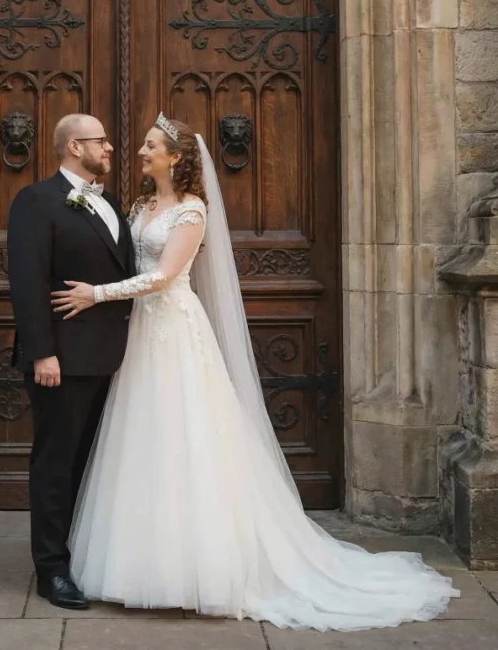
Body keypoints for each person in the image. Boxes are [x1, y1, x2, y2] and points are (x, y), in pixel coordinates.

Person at [50, 114, 459, 631]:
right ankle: (140, 561)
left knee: (187, 437)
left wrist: (97, 294)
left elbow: (164, 276)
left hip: (174, 330)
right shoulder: (138, 205)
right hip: (138, 335)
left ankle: (202, 568)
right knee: (142, 437)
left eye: (151, 145)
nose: (140, 152)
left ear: (175, 157)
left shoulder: (192, 210)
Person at [8, 114, 135, 610]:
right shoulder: (36, 201)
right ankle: (51, 570)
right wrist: (42, 351)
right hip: (62, 359)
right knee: (56, 465)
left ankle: (83, 557)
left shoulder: (112, 202)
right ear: (75, 146)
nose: (110, 147)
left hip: (113, 358)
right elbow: (27, 280)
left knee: (94, 465)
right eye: (101, 140)